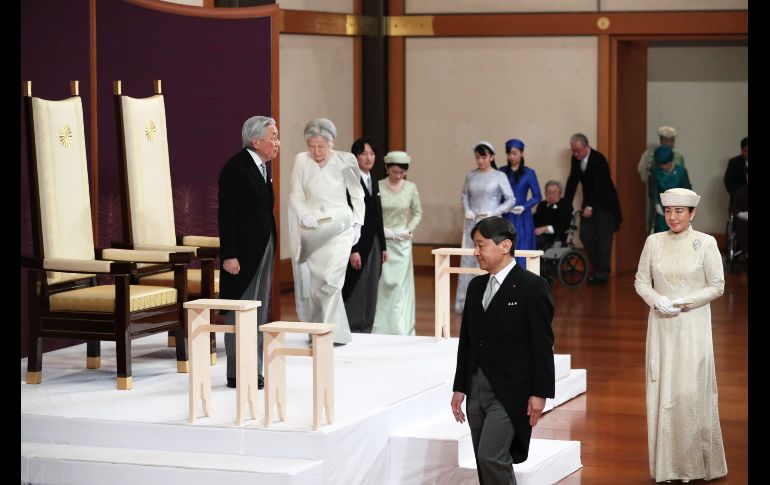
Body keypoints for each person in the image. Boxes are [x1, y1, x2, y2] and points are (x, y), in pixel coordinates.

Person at [451, 216, 555, 485]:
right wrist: (460, 387)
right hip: (476, 389)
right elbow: (467, 342)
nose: (475, 252)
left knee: (491, 457)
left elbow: (542, 345)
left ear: (505, 245)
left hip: (511, 390)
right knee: (484, 460)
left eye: (481, 245)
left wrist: (540, 393)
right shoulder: (475, 287)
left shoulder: (533, 287)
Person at [634, 188, 727, 483]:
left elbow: (717, 285)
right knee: (663, 390)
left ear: (692, 214)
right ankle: (667, 466)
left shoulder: (706, 243)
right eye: (669, 211)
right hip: (662, 325)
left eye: (680, 211)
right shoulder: (654, 241)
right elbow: (640, 281)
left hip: (692, 325)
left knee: (689, 391)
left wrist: (682, 301)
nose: (673, 217)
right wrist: (655, 299)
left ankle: (691, 466)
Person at [288, 118, 365, 345]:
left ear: (332, 142)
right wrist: (303, 214)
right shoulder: (301, 161)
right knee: (315, 284)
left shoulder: (345, 160)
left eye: (321, 146)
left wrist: (357, 224)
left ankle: (326, 334)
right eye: (311, 145)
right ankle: (323, 330)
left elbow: (357, 194)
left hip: (340, 226)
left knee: (332, 281)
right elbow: (295, 194)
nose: (316, 151)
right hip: (313, 228)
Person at [218, 115, 280, 389]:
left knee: (259, 310)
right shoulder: (236, 168)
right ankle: (237, 371)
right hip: (243, 254)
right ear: (256, 141)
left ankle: (253, 369)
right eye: (273, 137)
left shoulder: (262, 168)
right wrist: (229, 254)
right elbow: (227, 215)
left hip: (263, 247)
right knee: (241, 310)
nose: (277, 142)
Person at [455, 141, 515, 313]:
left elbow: (511, 199)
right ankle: (464, 301)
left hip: (491, 224)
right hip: (471, 223)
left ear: (491, 157)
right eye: (477, 157)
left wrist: (494, 212)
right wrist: (466, 209)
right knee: (468, 258)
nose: (480, 161)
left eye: (484, 157)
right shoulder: (471, 175)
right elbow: (464, 195)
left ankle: (489, 300)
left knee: (488, 258)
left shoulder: (499, 176)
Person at [371, 151, 423, 335]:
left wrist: (408, 229)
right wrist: (381, 229)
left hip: (402, 243)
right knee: (383, 285)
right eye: (394, 172)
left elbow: (417, 212)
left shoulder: (411, 188)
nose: (398, 176)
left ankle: (401, 327)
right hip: (383, 241)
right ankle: (380, 327)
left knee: (400, 287)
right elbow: (373, 213)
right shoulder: (377, 186)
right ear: (386, 169)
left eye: (402, 173)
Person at [342, 138, 388, 333]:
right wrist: (353, 249)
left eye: (371, 154)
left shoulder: (374, 180)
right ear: (355, 157)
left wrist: (384, 246)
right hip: (358, 243)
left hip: (375, 242)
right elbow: (349, 216)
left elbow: (378, 216)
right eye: (363, 153)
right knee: (357, 287)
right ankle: (352, 327)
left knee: (371, 287)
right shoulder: (350, 180)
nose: (369, 158)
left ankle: (367, 327)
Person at [564, 133, 621, 285]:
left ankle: (602, 274)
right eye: (573, 151)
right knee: (585, 235)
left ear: (586, 147)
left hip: (605, 204)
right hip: (589, 202)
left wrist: (590, 205)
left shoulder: (599, 159)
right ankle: (597, 268)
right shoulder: (575, 160)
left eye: (578, 151)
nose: (576, 154)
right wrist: (566, 204)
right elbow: (572, 180)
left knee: (603, 239)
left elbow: (600, 185)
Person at [499, 138, 541, 268]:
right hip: (506, 215)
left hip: (523, 216)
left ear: (521, 153)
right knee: (505, 247)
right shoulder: (501, 171)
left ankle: (522, 279)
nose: (512, 156)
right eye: (509, 153)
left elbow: (537, 196)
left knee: (521, 246)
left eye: (515, 153)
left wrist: (524, 206)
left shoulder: (529, 173)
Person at [638, 126, 686, 232]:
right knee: (653, 222)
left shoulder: (678, 157)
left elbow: (682, 177)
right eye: (666, 141)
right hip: (657, 194)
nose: (670, 144)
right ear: (661, 141)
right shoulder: (652, 156)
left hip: (674, 197)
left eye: (672, 141)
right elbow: (644, 173)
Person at [649, 145, 692, 233]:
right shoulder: (656, 172)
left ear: (671, 161)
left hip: (679, 209)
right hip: (662, 210)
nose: (663, 167)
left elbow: (688, 191)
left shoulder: (681, 172)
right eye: (661, 164)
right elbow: (654, 189)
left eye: (665, 164)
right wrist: (657, 204)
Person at [533, 180, 573, 250]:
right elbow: (534, 219)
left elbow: (564, 225)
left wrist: (545, 228)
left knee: (533, 241)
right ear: (545, 193)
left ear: (560, 194)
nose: (551, 195)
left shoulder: (565, 205)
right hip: (538, 234)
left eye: (554, 192)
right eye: (549, 192)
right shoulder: (542, 204)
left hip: (554, 237)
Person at [723, 136, 748, 205]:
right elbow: (728, 181)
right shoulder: (734, 163)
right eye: (746, 150)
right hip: (739, 202)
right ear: (742, 151)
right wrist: (737, 196)